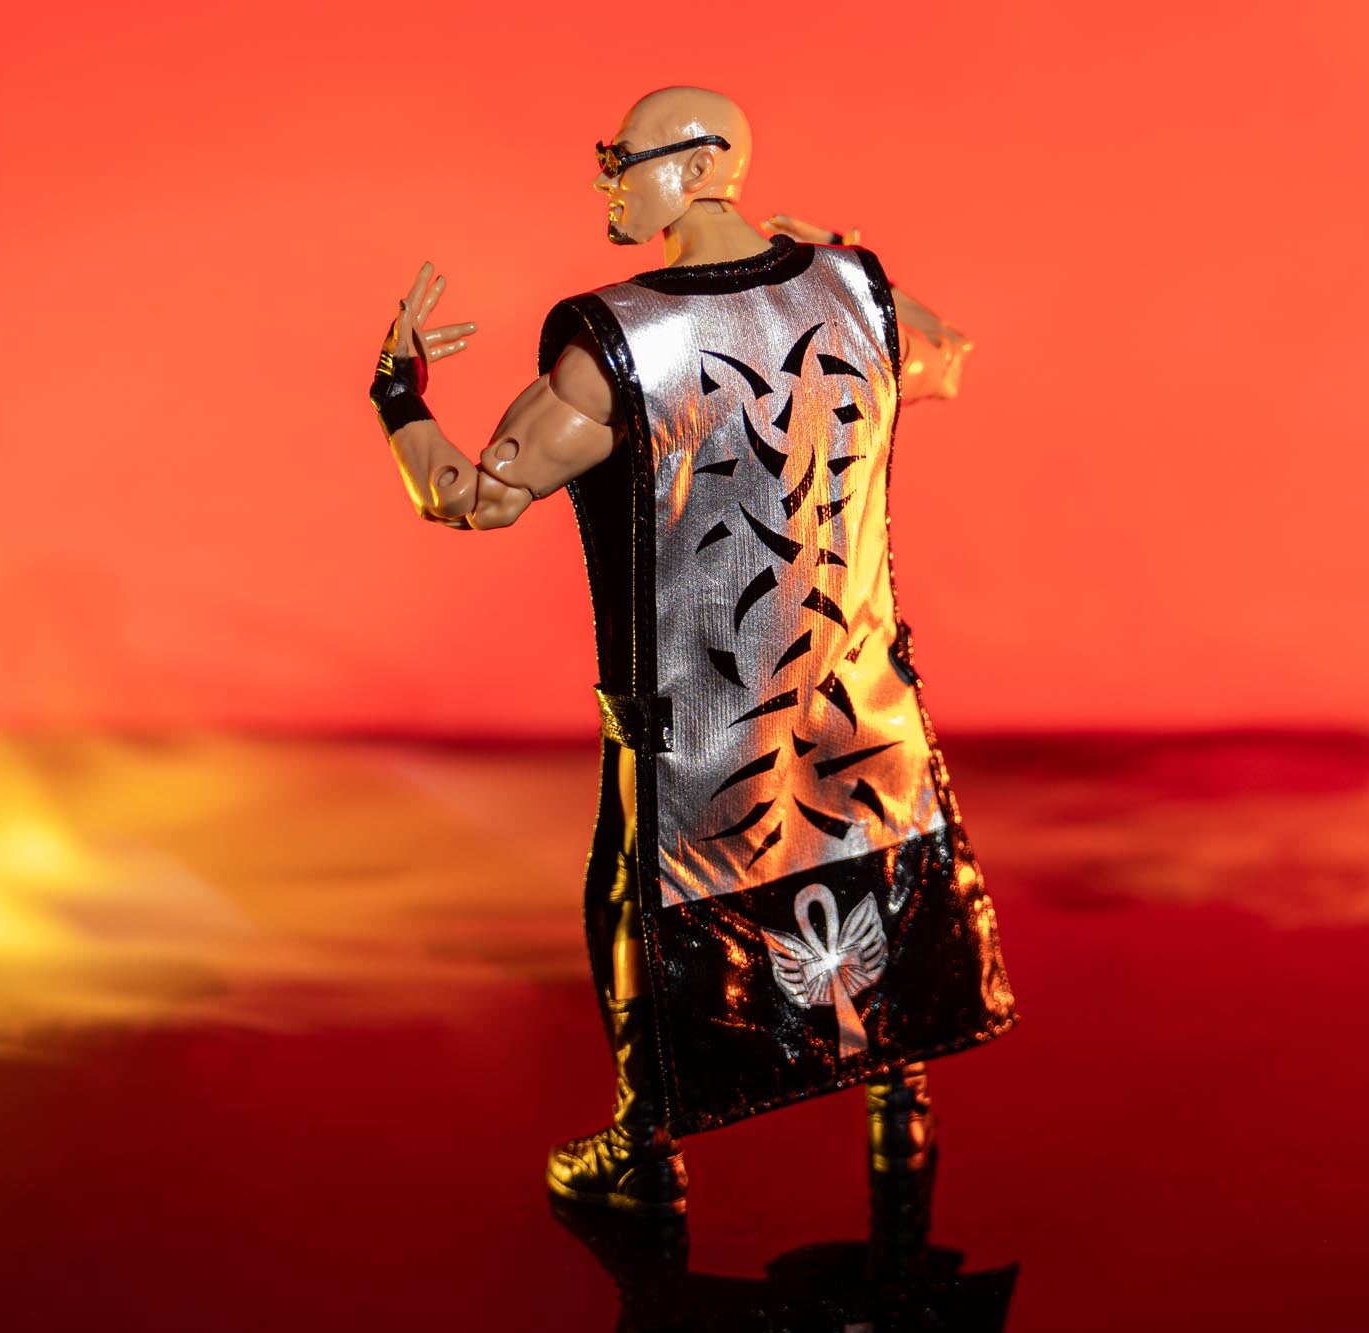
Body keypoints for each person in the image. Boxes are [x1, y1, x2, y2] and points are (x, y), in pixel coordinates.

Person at [369, 86, 1015, 1219]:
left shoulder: (620, 340)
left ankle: (644, 1148)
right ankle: (900, 1107)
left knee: (636, 899)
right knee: (876, 853)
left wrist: (394, 394)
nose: (607, 179)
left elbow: (468, 497)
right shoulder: (853, 292)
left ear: (703, 165)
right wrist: (851, 257)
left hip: (696, 725)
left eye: (621, 157)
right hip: (852, 687)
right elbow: (948, 359)